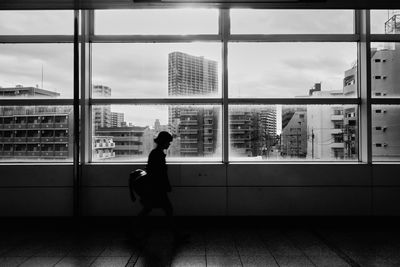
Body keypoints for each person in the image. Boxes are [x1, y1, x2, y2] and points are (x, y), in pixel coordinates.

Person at [138, 131, 174, 229]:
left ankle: (132, 231)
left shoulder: (155, 153)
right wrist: (166, 185)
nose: (169, 144)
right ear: (163, 142)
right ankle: (176, 235)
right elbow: (160, 173)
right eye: (168, 142)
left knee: (148, 209)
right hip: (157, 188)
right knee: (168, 209)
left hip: (154, 188)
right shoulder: (158, 154)